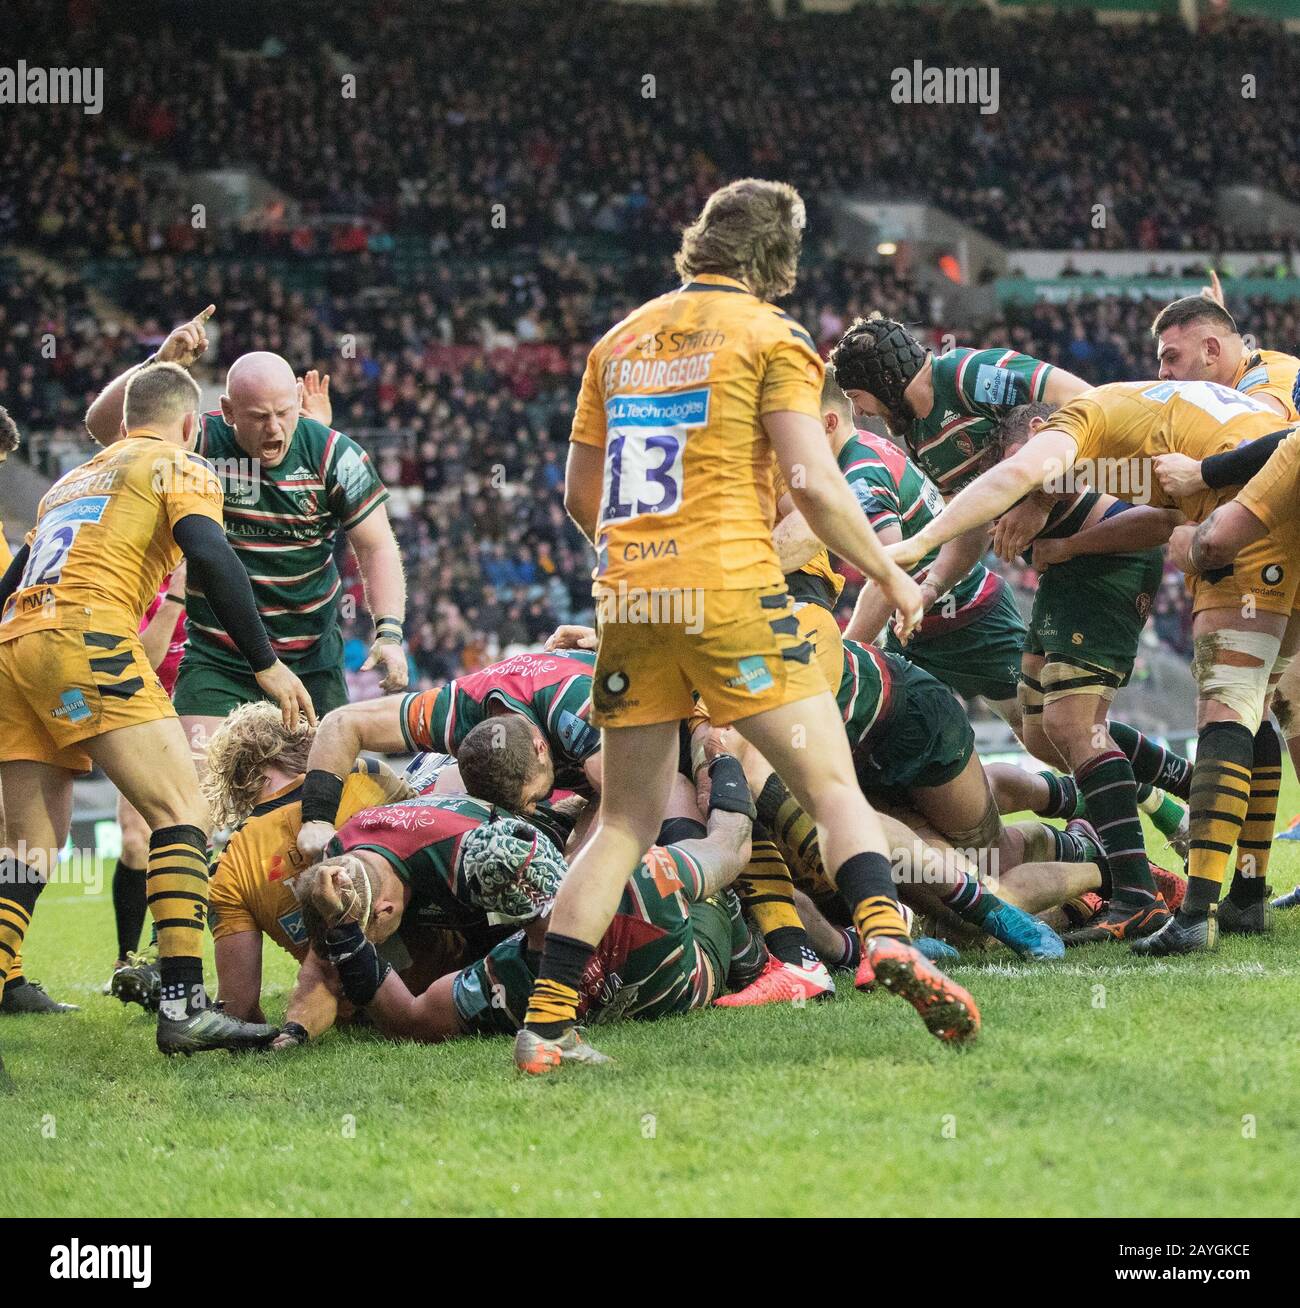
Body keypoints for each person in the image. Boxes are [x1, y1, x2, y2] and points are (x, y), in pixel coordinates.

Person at [517, 179, 978, 1076]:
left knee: (624, 820)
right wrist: (888, 570)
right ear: (778, 260)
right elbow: (810, 483)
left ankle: (543, 1028)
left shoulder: (616, 343)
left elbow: (581, 496)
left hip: (632, 600)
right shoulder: (774, 337)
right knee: (831, 785)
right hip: (732, 591)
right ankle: (886, 938)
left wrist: (644, 564)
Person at [887, 379, 1300, 954]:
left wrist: (918, 547)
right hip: (1243, 506)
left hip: (1159, 551)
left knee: (1207, 707)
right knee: (1043, 732)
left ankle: (1157, 896)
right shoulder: (1150, 424)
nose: (1163, 365)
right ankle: (1192, 833)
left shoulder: (1077, 426)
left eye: (1173, 355)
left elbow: (1158, 523)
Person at [0, 362, 314, 1053]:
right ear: (190, 424)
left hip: (15, 643)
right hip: (85, 634)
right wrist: (265, 662)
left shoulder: (71, 481)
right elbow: (210, 550)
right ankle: (183, 1006)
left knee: (27, 839)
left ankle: (2, 973)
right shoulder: (179, 461)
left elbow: (12, 580)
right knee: (185, 811)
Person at [83, 309, 407, 768]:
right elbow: (103, 430)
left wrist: (389, 631)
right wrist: (160, 363)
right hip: (219, 657)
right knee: (197, 791)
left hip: (311, 659)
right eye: (259, 418)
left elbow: (375, 545)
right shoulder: (202, 439)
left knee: (320, 800)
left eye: (284, 413)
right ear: (228, 411)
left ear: (298, 400)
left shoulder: (337, 455)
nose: (274, 429)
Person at [298, 758, 762, 1043]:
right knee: (685, 816)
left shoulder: (506, 977)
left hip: (632, 980)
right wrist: (720, 764)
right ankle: (758, 955)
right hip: (691, 970)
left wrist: (344, 935)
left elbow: (408, 1019)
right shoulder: (639, 873)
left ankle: (751, 953)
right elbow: (732, 846)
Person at [293, 648, 601, 864]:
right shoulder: (455, 709)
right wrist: (316, 818)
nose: (533, 809)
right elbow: (342, 723)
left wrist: (572, 859)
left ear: (541, 747)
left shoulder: (579, 713)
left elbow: (632, 801)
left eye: (534, 797)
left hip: (630, 736)